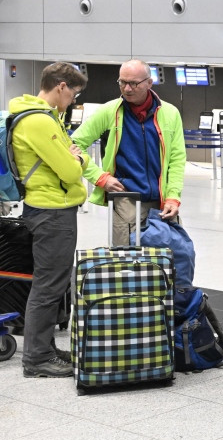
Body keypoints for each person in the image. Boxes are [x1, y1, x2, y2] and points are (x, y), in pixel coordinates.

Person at [7, 62, 88, 378]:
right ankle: (37, 359)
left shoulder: (35, 116)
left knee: (51, 285)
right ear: (61, 86)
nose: (73, 101)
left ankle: (45, 349)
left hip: (46, 209)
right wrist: (77, 158)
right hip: (52, 213)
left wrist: (72, 156)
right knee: (48, 286)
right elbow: (70, 170)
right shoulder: (40, 122)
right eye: (74, 94)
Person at [73, 59, 186, 248]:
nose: (127, 88)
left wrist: (173, 196)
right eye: (122, 82)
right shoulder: (109, 111)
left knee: (168, 258)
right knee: (126, 260)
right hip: (125, 198)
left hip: (162, 200)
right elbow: (75, 144)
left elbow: (177, 159)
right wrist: (100, 178)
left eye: (133, 83)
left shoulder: (170, 113)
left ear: (149, 83)